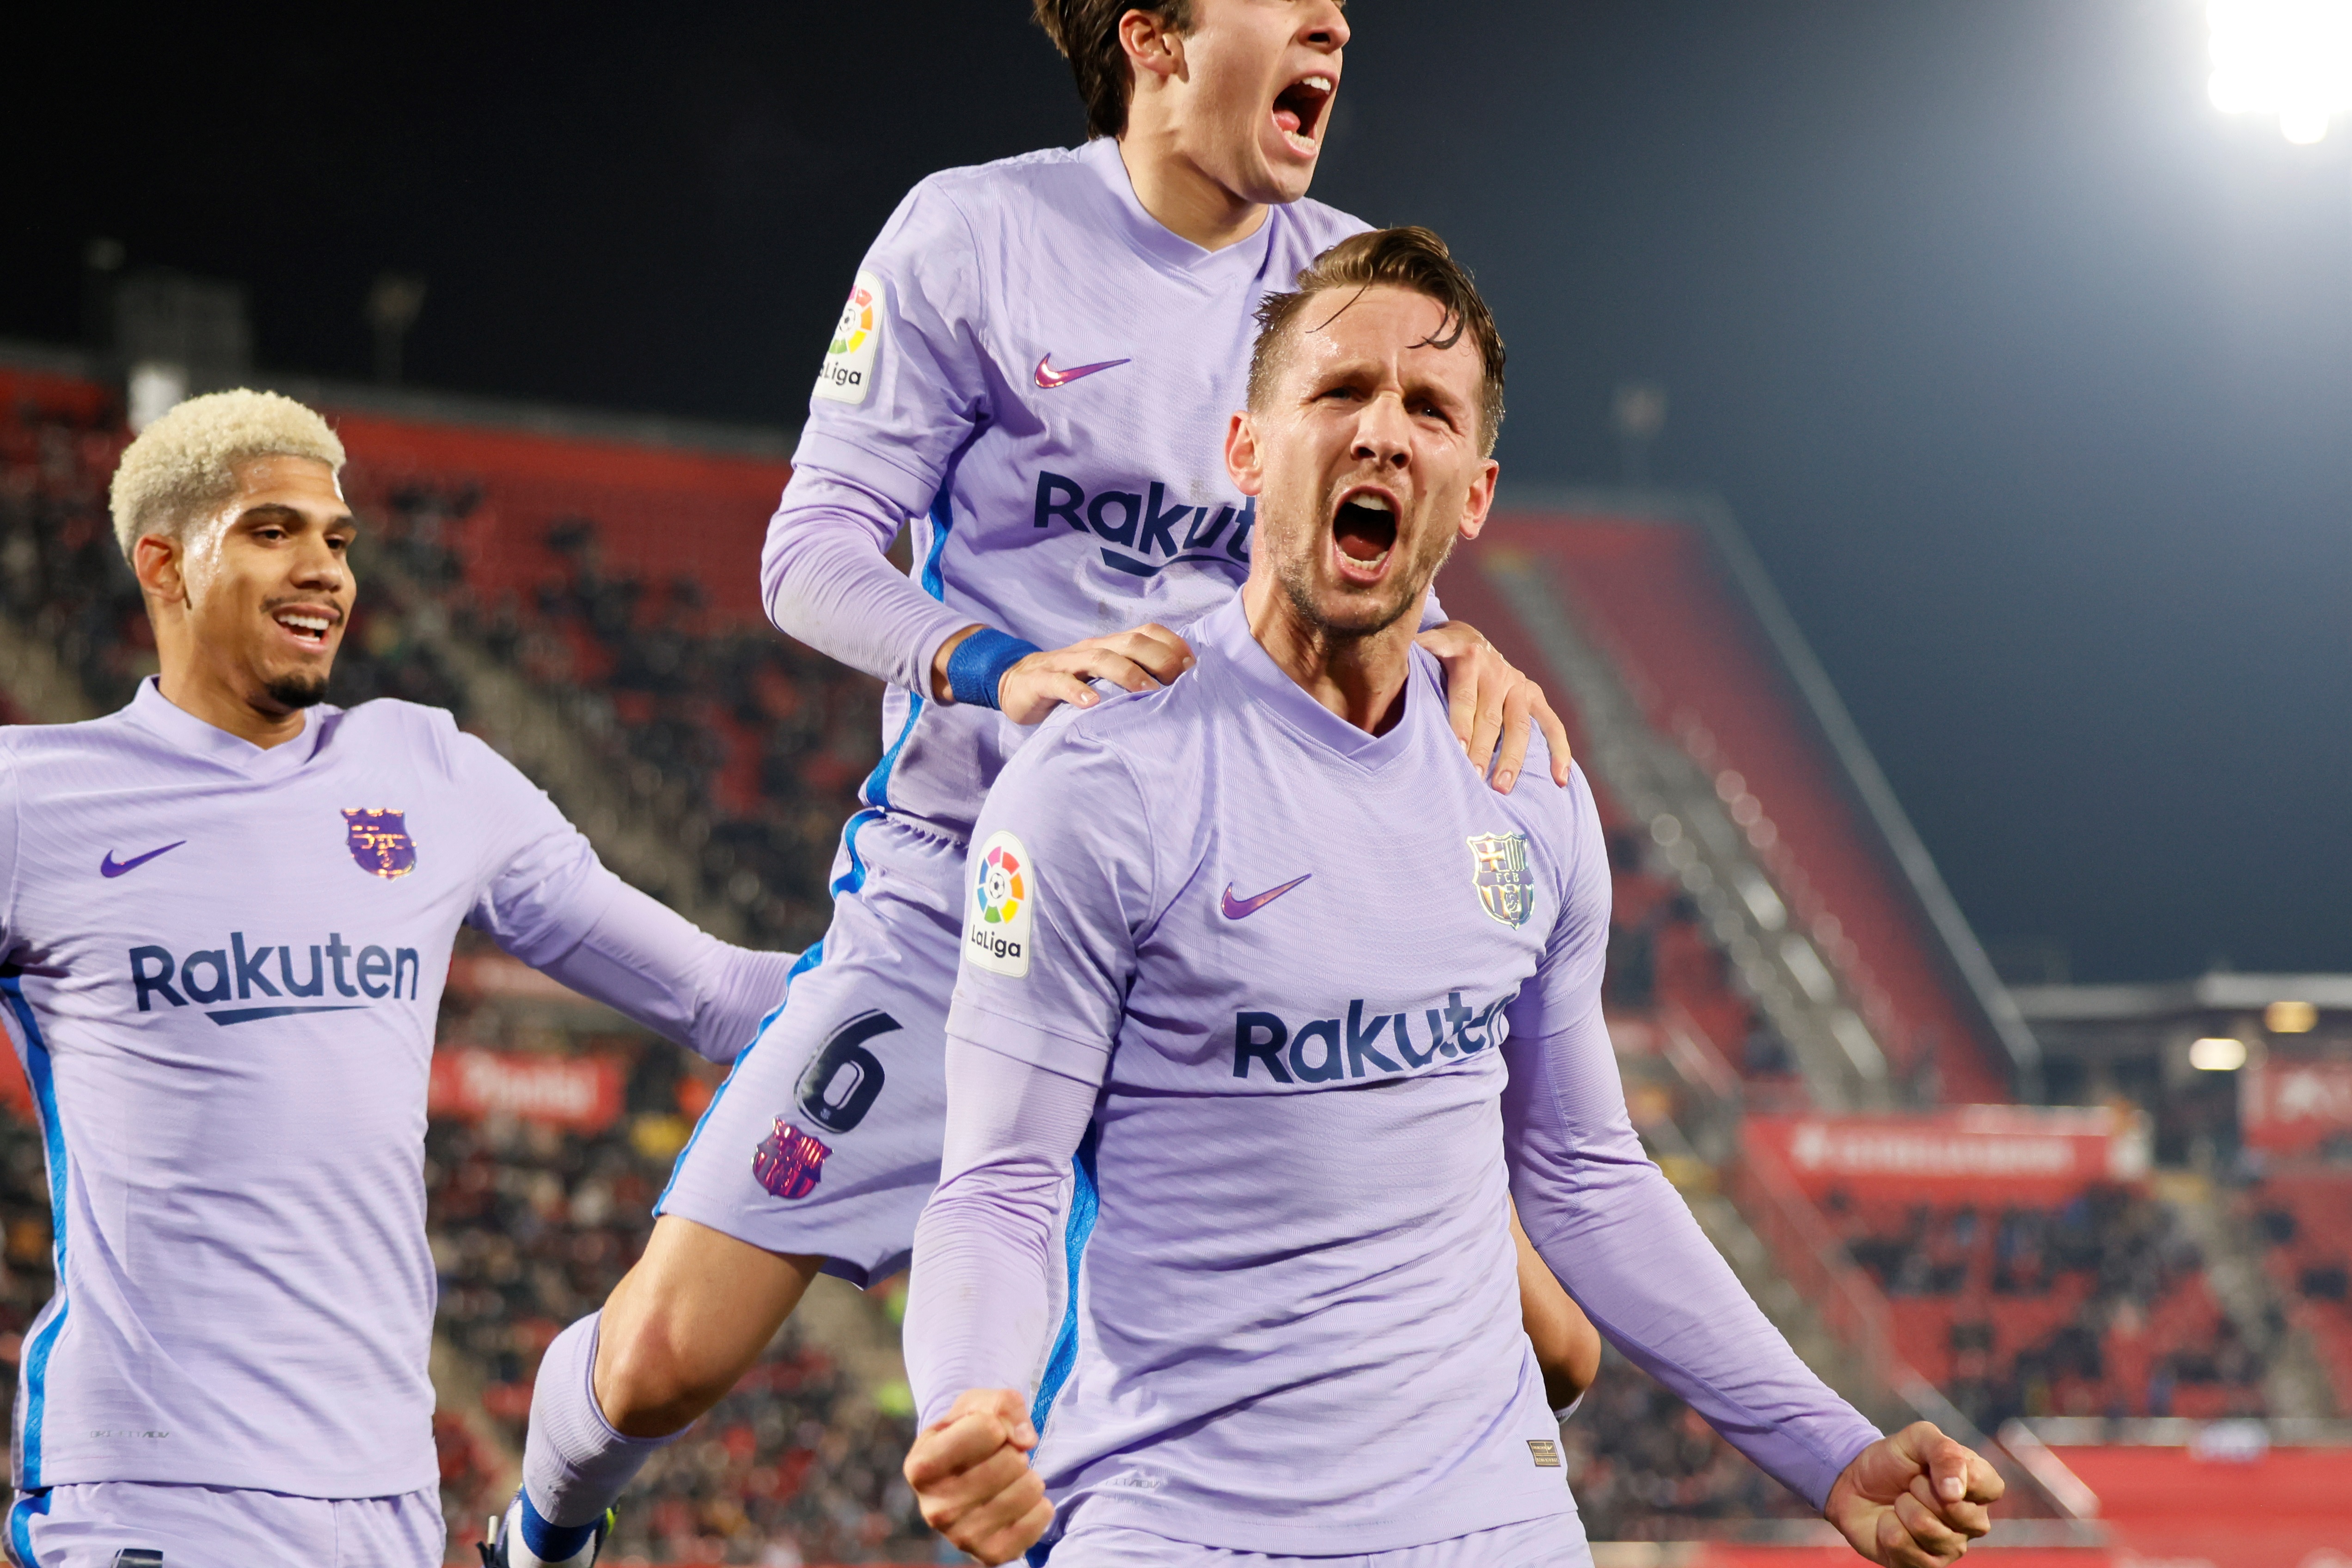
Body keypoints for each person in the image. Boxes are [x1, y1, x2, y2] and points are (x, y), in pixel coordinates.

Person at [496, 5, 1601, 1562]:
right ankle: (537, 1528)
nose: (1334, 20)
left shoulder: (1352, 285)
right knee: (660, 1362)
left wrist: (1457, 643)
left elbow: (1367, 563)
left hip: (1229, 930)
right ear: (1154, 38)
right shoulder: (976, 238)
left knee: (1552, 1353)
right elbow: (810, 552)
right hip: (964, 902)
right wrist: (999, 666)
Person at [898, 228, 2006, 1568]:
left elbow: (1586, 1173)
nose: (1382, 432)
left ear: (1473, 494)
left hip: (1494, 1522)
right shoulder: (1100, 779)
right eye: (1338, 391)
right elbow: (1003, 1183)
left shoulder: (1527, 784)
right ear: (1246, 450)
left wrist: (1827, 1448)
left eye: (1427, 408)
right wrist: (969, 1399)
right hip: (1180, 1522)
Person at [0, 389, 797, 1568]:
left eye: (338, 539)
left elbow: (722, 997)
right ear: (163, 564)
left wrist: (980, 987)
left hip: (387, 1496)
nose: (324, 569)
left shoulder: (428, 771)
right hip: (150, 1490)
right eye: (273, 531)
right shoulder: (34, 800)